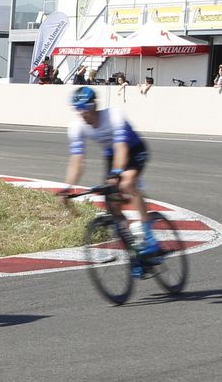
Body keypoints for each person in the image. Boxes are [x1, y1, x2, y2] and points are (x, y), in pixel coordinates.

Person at [62, 85, 159, 268]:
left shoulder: (114, 116)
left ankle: (149, 236)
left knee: (127, 183)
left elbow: (121, 148)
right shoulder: (76, 127)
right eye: (79, 110)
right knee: (112, 204)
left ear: (94, 106)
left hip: (134, 150)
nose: (84, 114)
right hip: (112, 155)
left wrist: (116, 174)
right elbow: (77, 161)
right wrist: (67, 188)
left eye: (87, 109)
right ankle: (135, 251)